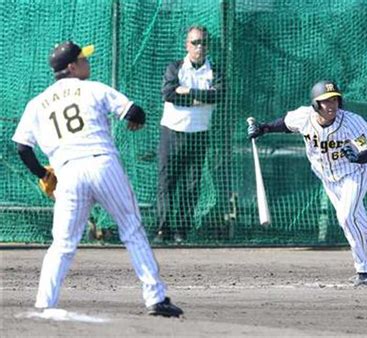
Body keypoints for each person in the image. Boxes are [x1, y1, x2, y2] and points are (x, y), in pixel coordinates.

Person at [12, 41, 183, 316]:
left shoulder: (37, 103)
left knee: (62, 244)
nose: (87, 62)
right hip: (103, 165)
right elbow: (136, 112)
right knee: (132, 229)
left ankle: (45, 303)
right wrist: (135, 120)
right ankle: (156, 298)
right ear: (71, 67)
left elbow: (22, 147)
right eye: (83, 58)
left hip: (67, 173)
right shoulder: (94, 89)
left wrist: (43, 174)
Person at [247, 80, 367, 286]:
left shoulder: (351, 123)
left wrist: (357, 156)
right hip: (329, 179)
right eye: (326, 101)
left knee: (346, 217)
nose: (332, 105)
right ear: (316, 104)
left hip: (354, 175)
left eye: (335, 100)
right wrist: (263, 128)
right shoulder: (304, 117)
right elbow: (285, 123)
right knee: (361, 225)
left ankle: (364, 270)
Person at [158, 25, 224, 242]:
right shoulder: (175, 67)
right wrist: (199, 98)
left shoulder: (215, 70)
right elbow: (168, 94)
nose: (199, 47)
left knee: (192, 184)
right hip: (172, 132)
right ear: (187, 45)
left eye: (203, 43)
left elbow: (219, 95)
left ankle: (181, 231)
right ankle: (162, 229)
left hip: (199, 134)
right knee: (167, 182)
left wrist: (188, 92)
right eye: (195, 42)